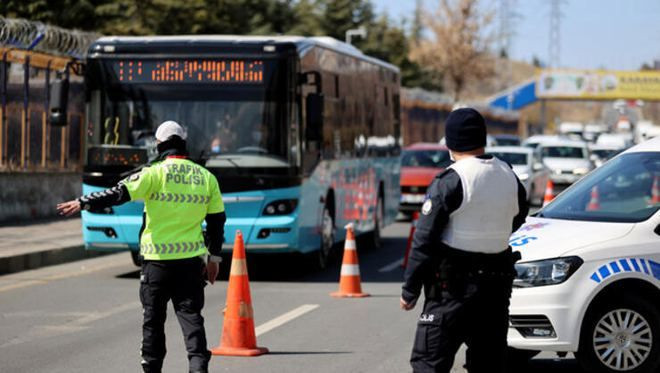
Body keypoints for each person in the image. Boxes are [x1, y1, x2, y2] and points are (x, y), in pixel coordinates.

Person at [57, 120, 226, 373]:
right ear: (183, 145)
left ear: (160, 145)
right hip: (191, 264)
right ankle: (199, 368)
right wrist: (213, 260)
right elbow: (216, 223)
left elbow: (118, 193)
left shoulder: (153, 173)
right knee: (192, 322)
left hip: (156, 264)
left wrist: (83, 202)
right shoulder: (206, 178)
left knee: (153, 323)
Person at [400, 108, 528, 373]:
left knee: (429, 363)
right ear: (483, 138)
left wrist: (410, 289)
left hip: (452, 290)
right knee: (488, 363)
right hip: (495, 288)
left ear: (450, 144)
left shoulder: (452, 180)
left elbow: (424, 239)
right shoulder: (509, 175)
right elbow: (517, 218)